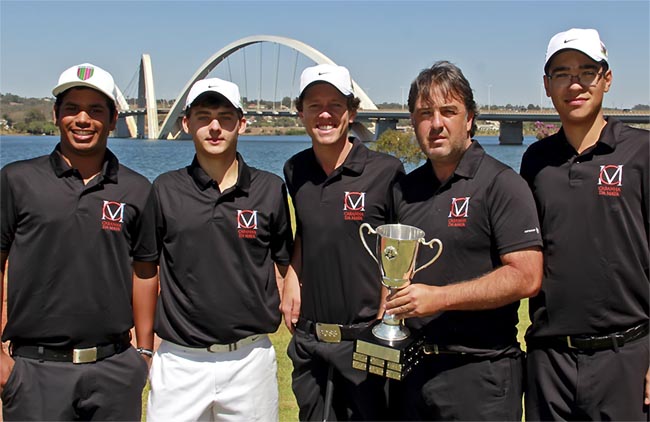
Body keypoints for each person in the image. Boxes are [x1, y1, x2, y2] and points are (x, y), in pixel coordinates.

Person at [385, 60, 544, 420]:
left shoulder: (501, 184)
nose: (436, 123)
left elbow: (527, 276)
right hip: (413, 373)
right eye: (425, 113)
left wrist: (439, 298)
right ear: (412, 121)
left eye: (448, 111)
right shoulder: (405, 190)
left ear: (469, 118)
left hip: (480, 374)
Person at [0, 63, 158, 420]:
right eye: (72, 109)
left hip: (114, 369)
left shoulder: (136, 189)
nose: (83, 119)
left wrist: (144, 353)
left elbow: (145, 269)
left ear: (113, 119)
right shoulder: (17, 181)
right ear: (56, 115)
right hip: (35, 371)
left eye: (95, 110)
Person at [146, 77, 294, 422]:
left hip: (249, 359)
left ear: (241, 123)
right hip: (179, 361)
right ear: (186, 123)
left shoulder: (270, 190)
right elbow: (146, 269)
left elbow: (285, 265)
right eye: (203, 116)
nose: (215, 127)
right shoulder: (164, 189)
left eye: (225, 117)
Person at [520, 28, 649, 421]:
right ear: (546, 85)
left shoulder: (641, 153)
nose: (574, 84)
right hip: (550, 362)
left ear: (606, 79)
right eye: (561, 73)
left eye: (586, 71)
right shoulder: (535, 161)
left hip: (625, 357)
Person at [281, 63, 405, 421]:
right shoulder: (295, 170)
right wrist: (292, 272)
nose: (325, 114)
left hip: (366, 340)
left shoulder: (386, 170)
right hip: (310, 343)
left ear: (351, 112)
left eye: (335, 105)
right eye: (314, 105)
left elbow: (397, 246)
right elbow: (308, 228)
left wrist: (389, 311)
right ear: (300, 113)